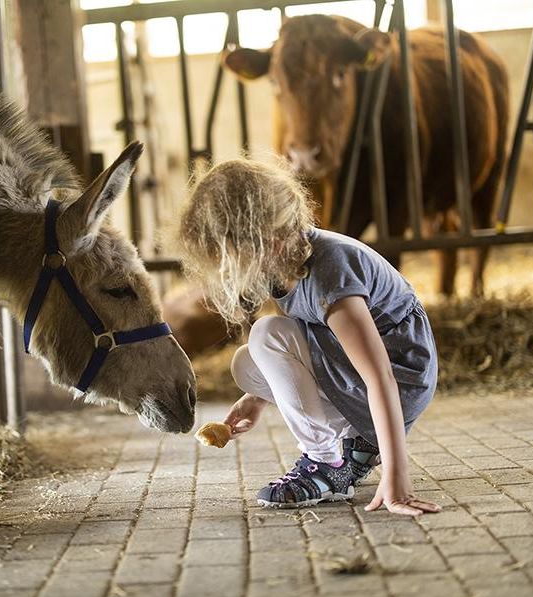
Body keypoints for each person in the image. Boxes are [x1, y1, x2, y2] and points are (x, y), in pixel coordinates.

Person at [178, 159, 441, 516]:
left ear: (264, 238)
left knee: (267, 334)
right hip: (356, 378)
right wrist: (257, 398)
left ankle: (328, 463)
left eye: (228, 252)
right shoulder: (283, 264)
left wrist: (397, 478)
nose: (224, 267)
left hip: (399, 378)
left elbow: (379, 376)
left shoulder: (330, 275)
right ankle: (356, 446)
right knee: (248, 364)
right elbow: (311, 340)